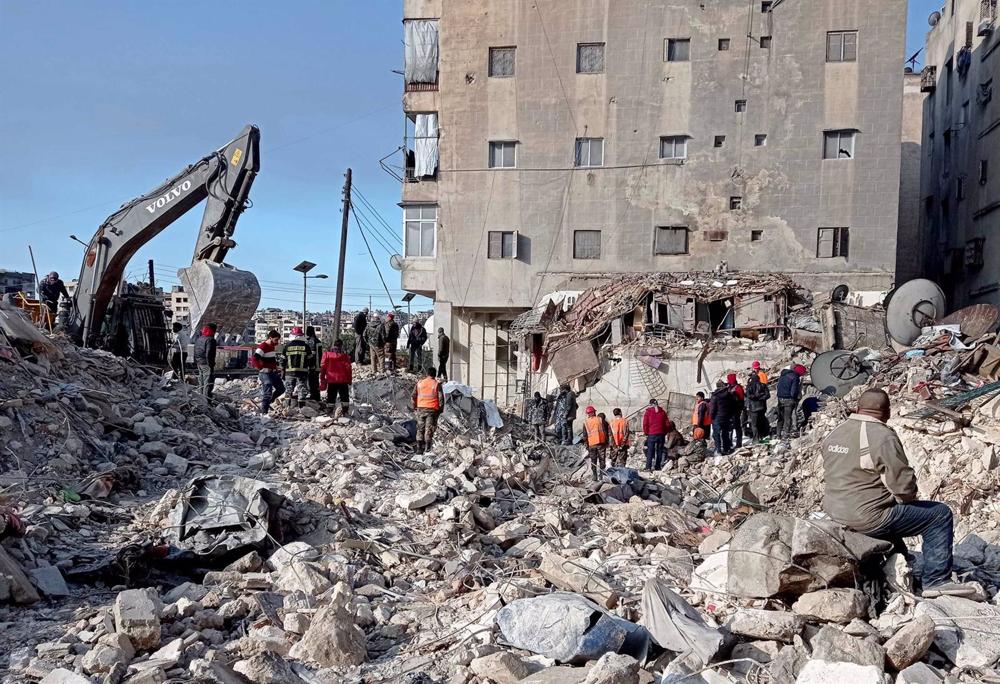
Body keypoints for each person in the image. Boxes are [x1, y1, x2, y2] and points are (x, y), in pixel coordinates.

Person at [822, 389, 965, 597]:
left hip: (835, 512)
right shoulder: (882, 436)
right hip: (866, 518)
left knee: (889, 508)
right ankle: (936, 580)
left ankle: (899, 561)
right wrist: (906, 498)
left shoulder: (836, 432)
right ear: (886, 412)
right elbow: (903, 485)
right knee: (939, 515)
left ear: (858, 408)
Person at [412, 366, 445, 453]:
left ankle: (419, 448)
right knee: (429, 429)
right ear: (434, 374)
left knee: (420, 428)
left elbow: (413, 396)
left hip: (421, 409)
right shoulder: (436, 384)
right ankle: (427, 448)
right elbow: (441, 398)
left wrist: (414, 407)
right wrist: (440, 410)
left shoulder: (419, 383)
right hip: (432, 410)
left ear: (427, 374)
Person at [253, 330, 285, 415]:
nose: (277, 342)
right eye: (276, 340)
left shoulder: (272, 346)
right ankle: (264, 411)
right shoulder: (263, 346)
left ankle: (269, 402)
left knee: (281, 389)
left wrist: (276, 367)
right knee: (267, 392)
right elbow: (255, 359)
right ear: (270, 338)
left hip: (272, 372)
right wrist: (261, 368)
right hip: (265, 373)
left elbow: (271, 360)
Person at [319, 339, 352, 418]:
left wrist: (322, 378)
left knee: (331, 396)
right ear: (341, 346)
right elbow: (348, 369)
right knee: (344, 396)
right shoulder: (345, 356)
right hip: (343, 380)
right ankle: (345, 411)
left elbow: (323, 367)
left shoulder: (327, 355)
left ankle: (329, 411)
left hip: (331, 379)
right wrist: (349, 380)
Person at [282, 327, 312, 409]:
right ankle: (301, 409)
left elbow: (282, 360)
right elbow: (310, 360)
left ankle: (286, 408)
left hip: (289, 372)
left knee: (288, 390)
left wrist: (282, 370)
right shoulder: (306, 346)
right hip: (302, 372)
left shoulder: (287, 346)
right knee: (302, 390)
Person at [776, 364, 807, 440]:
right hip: (789, 400)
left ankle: (778, 434)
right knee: (788, 418)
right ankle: (785, 435)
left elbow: (778, 387)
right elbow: (793, 392)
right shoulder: (795, 377)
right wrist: (796, 397)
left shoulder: (783, 374)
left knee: (780, 417)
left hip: (780, 398)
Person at [710, 380, 738, 456]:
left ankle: (718, 450)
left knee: (717, 434)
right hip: (726, 417)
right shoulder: (729, 395)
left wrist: (711, 417)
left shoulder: (715, 396)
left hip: (717, 418)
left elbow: (712, 408)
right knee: (725, 433)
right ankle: (726, 448)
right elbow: (732, 406)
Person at [642, 398, 669, 470]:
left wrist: (646, 433)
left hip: (652, 434)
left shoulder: (648, 412)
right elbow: (667, 424)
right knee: (659, 450)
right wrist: (664, 432)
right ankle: (657, 467)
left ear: (650, 404)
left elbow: (645, 424)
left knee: (650, 451)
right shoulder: (663, 412)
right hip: (661, 434)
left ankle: (648, 467)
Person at [193, 323, 218, 398]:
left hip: (199, 362)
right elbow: (209, 353)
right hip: (206, 363)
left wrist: (196, 361)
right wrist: (211, 365)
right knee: (208, 382)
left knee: (201, 381)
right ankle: (206, 400)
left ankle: (201, 397)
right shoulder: (211, 340)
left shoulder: (199, 338)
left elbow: (196, 350)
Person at [582, 406, 608, 480]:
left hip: (591, 444)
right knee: (602, 460)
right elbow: (605, 431)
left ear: (588, 414)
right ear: (594, 412)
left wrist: (587, 445)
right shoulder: (600, 419)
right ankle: (602, 476)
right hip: (601, 443)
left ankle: (595, 476)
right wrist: (606, 441)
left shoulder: (585, 422)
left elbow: (585, 435)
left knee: (593, 460)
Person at [745, 369, 771, 443]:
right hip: (762, 407)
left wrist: (755, 397)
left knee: (754, 424)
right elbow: (768, 395)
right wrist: (761, 397)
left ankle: (756, 439)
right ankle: (763, 436)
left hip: (753, 408)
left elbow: (748, 396)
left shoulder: (749, 386)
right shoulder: (763, 385)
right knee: (761, 421)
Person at [727, 373, 746, 449]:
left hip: (736, 410)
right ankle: (730, 442)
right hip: (731, 410)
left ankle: (739, 442)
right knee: (730, 427)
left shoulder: (737, 388)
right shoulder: (731, 387)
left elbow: (741, 399)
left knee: (737, 427)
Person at [305, 326, 323, 402]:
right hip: (318, 365)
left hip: (313, 366)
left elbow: (311, 355)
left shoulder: (311, 341)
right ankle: (317, 396)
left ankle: (314, 396)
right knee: (315, 381)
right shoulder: (318, 341)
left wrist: (310, 365)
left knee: (312, 382)